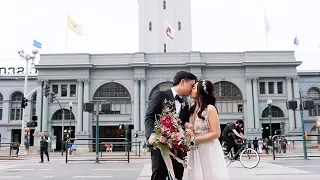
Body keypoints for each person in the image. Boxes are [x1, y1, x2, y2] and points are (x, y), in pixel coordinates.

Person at [145, 71, 197, 180]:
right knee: (159, 175)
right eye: (191, 85)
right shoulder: (160, 95)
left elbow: (182, 123)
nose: (192, 89)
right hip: (160, 144)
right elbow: (149, 117)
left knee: (178, 175)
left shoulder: (185, 105)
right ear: (182, 82)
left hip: (178, 148)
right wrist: (152, 137)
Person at [184, 80, 229, 180]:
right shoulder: (192, 109)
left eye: (194, 88)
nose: (191, 89)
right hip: (195, 149)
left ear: (201, 92)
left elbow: (216, 133)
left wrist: (194, 138)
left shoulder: (210, 109)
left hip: (208, 148)